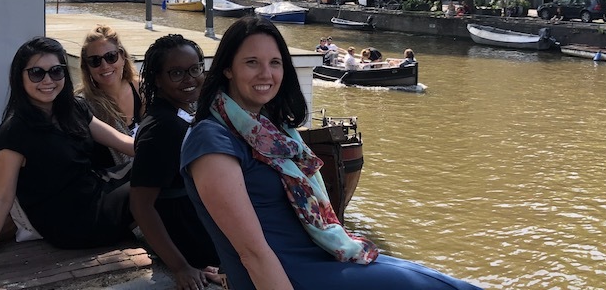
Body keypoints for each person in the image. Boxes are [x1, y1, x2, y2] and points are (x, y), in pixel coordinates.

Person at [179, 16, 481, 290]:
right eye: (252, 63)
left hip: (325, 257)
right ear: (228, 68)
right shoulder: (211, 140)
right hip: (290, 276)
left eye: (275, 63)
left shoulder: (271, 129)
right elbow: (252, 253)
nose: (266, 74)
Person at [0, 37, 136, 279]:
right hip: (73, 222)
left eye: (56, 72)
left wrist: (176, 147)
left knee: (155, 165)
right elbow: (2, 198)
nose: (48, 81)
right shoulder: (14, 133)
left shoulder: (73, 109)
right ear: (20, 77)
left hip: (95, 191)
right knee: (152, 179)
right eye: (36, 74)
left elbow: (125, 144)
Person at [132, 35, 222, 290]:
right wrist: (180, 266)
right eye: (177, 73)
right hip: (190, 248)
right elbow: (141, 205)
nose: (190, 79)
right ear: (157, 79)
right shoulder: (162, 129)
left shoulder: (178, 113)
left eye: (195, 69)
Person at [78, 24, 142, 167]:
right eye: (95, 61)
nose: (105, 66)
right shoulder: (84, 106)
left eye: (111, 57)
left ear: (123, 57)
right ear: (86, 67)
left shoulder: (142, 89)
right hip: (114, 185)